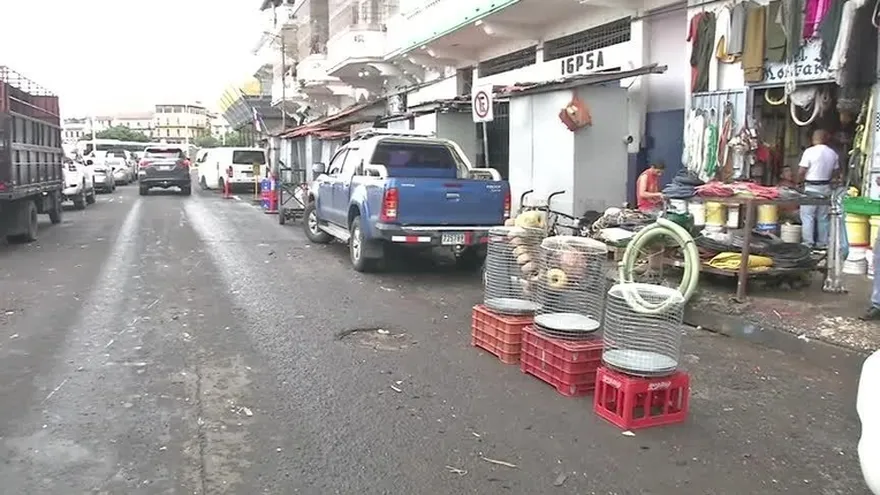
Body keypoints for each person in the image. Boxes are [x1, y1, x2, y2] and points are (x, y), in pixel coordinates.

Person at [798, 129, 839, 248]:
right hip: (826, 187)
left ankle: (808, 243)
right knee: (823, 217)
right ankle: (822, 243)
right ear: (826, 139)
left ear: (813, 138)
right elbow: (836, 172)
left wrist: (798, 183)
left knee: (807, 216)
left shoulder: (809, 152)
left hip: (811, 187)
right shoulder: (832, 153)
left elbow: (802, 171)